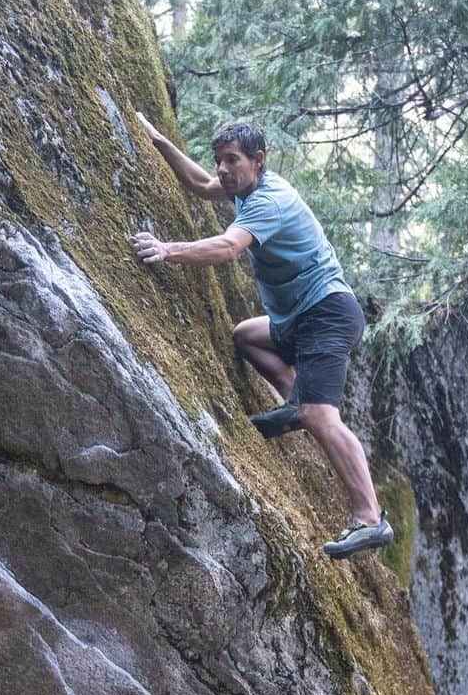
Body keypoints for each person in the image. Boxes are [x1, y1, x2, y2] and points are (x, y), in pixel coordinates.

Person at [131, 113, 393, 560]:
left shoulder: (268, 201)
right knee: (246, 335)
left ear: (258, 160)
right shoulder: (243, 188)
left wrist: (167, 249)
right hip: (298, 319)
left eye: (231, 160)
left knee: (322, 417)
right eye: (219, 161)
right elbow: (198, 183)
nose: (222, 170)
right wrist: (158, 140)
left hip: (326, 313)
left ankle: (372, 519)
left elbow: (229, 248)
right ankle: (294, 404)